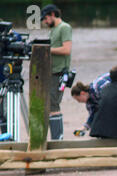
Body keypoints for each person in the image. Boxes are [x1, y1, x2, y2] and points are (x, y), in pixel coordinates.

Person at [71, 72, 117, 136]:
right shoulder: (90, 103)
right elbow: (93, 115)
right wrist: (84, 128)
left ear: (82, 93)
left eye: (78, 99)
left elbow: (113, 92)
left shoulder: (97, 86)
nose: (79, 102)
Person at [41, 4, 72, 140]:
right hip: (51, 71)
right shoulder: (53, 30)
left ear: (53, 14)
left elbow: (66, 50)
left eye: (46, 18)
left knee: (54, 104)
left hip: (59, 72)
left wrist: (46, 49)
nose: (45, 22)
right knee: (48, 103)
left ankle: (57, 138)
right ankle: (53, 136)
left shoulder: (64, 28)